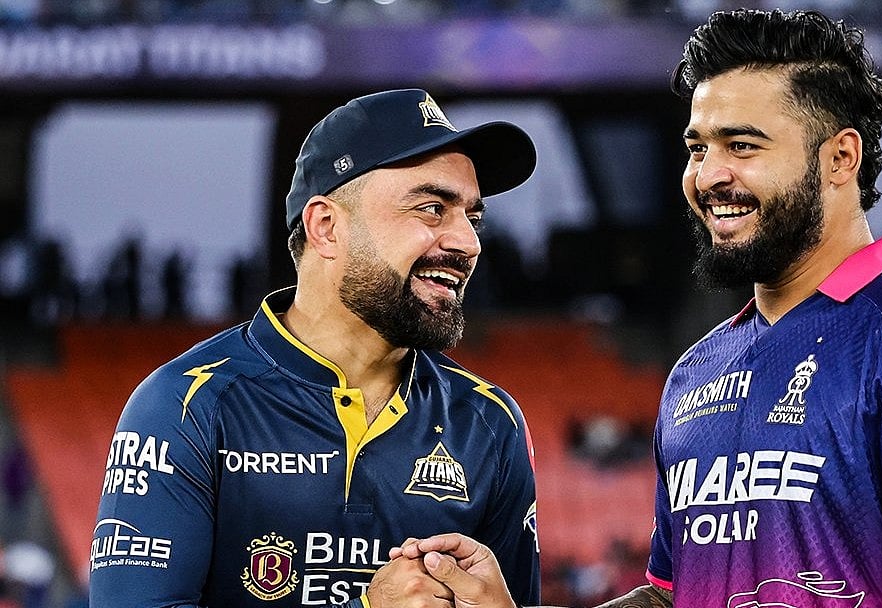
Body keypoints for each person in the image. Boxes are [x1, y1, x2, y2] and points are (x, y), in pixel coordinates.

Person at [377, 9, 882, 608]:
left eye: (742, 145)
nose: (708, 175)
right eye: (698, 147)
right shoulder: (697, 371)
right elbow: (669, 595)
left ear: (839, 158)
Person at [89, 89, 542, 608]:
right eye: (432, 208)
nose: (468, 241)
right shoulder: (184, 404)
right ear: (325, 226)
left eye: (473, 217)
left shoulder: (489, 421)